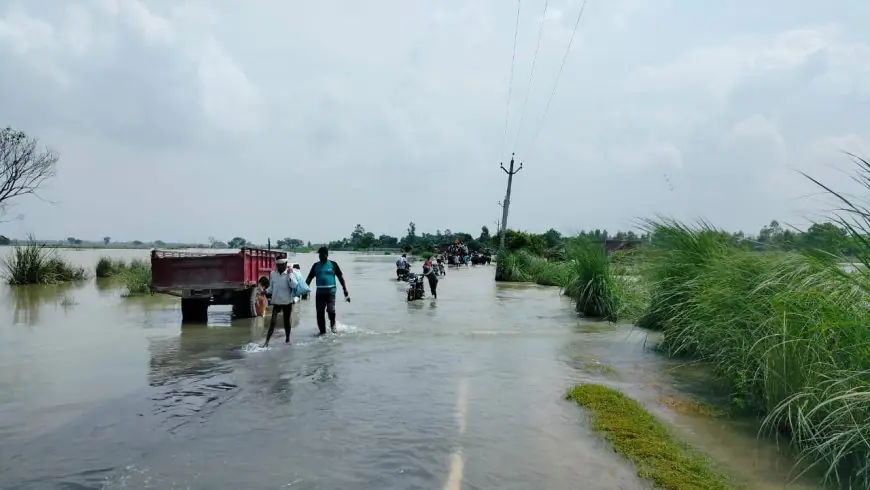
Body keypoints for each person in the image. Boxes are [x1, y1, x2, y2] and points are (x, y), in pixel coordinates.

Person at [305, 246, 350, 335]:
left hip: (331, 292)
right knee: (320, 313)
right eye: (319, 255)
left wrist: (345, 290)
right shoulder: (316, 265)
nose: (320, 256)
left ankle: (333, 324)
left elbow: (340, 278)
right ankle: (322, 332)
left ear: (327, 255)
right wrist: (304, 290)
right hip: (319, 293)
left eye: (322, 255)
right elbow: (309, 278)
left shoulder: (333, 264)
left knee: (331, 310)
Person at [263, 258, 297, 347]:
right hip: (276, 301)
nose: (280, 267)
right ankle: (266, 342)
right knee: (273, 322)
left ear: (286, 264)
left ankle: (288, 339)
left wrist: (290, 275)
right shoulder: (273, 274)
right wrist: (265, 291)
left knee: (286, 322)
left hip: (287, 301)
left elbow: (294, 285)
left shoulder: (290, 273)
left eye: (282, 265)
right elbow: (271, 287)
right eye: (278, 265)